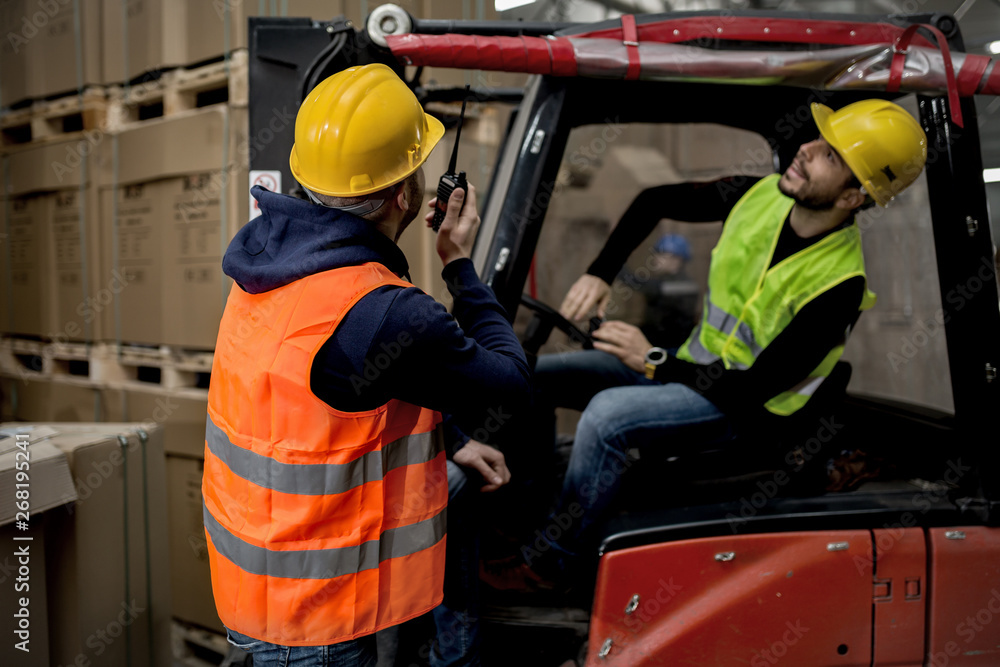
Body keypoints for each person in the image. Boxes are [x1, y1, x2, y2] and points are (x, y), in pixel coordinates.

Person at [514, 99, 928, 584]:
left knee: (606, 418)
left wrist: (650, 359)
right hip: (692, 369)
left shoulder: (839, 289)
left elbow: (750, 390)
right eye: (818, 139)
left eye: (830, 156)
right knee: (530, 378)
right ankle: (528, 510)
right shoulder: (757, 195)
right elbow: (654, 199)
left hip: (747, 413)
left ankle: (559, 563)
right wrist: (601, 274)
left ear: (853, 197)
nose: (806, 149)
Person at [202, 64, 530, 666]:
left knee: (455, 485)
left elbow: (344, 382)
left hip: (254, 582)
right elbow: (511, 381)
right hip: (316, 620)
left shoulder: (266, 261)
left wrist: (451, 438)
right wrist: (460, 266)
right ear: (405, 195)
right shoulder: (385, 311)